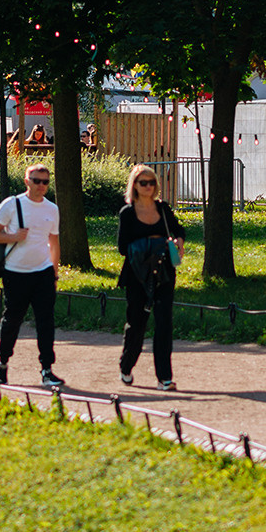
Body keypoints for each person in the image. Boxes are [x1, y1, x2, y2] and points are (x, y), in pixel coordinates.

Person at [0, 162, 64, 388]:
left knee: (46, 322)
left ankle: (47, 370)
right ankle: (2, 366)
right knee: (12, 320)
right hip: (15, 273)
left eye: (45, 182)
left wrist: (54, 273)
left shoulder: (52, 209)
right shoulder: (12, 204)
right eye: (36, 181)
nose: (41, 185)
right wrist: (13, 237)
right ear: (26, 181)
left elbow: (54, 243)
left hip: (43, 274)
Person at [116, 164, 185, 390]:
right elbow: (122, 247)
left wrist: (178, 242)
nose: (147, 186)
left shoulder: (163, 208)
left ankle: (164, 378)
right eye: (143, 182)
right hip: (137, 273)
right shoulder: (127, 212)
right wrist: (148, 246)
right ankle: (126, 365)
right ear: (134, 185)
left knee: (164, 323)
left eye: (151, 182)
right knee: (137, 323)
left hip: (164, 271)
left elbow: (179, 230)